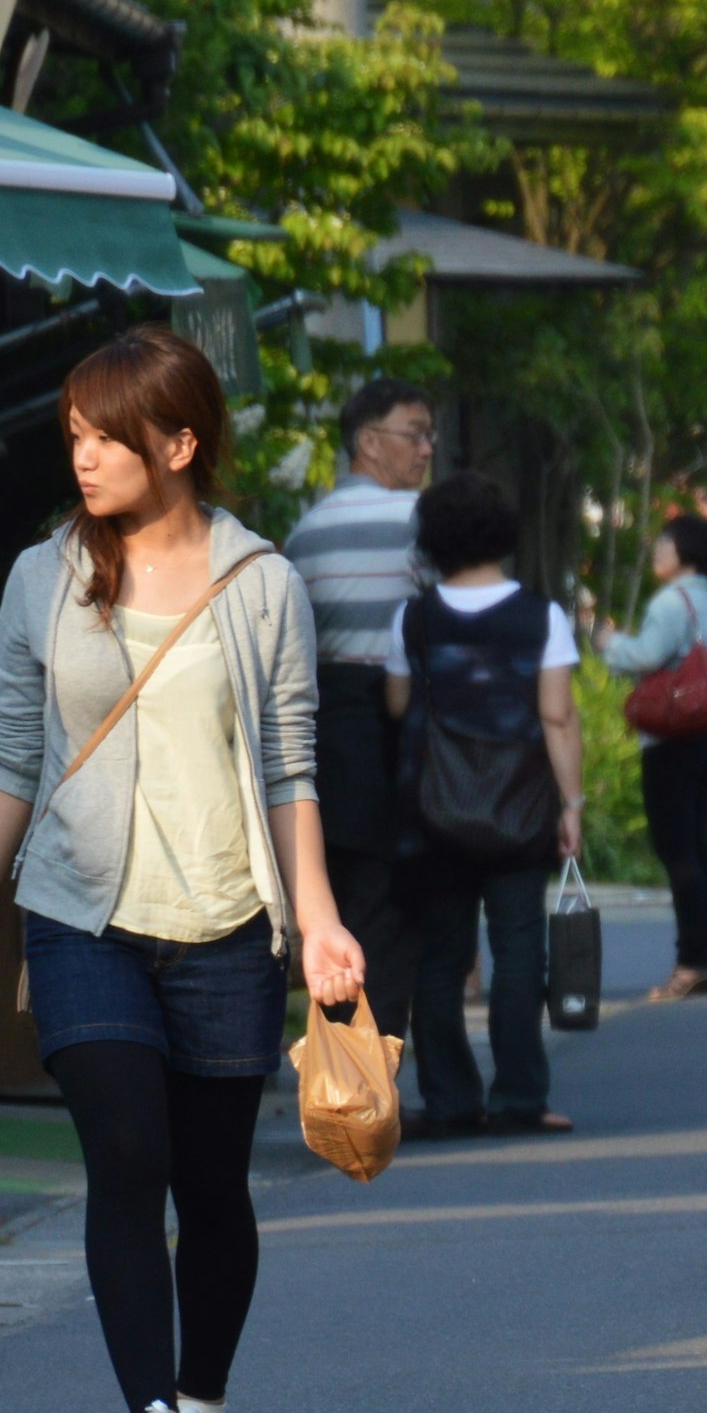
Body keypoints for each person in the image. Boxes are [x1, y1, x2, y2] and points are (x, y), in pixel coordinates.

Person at [0, 327, 364, 1413]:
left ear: (177, 443)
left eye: (105, 438)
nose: (80, 458)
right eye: (72, 436)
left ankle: (204, 1392)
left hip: (227, 918)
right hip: (81, 912)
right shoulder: (43, 576)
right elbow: (14, 753)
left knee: (213, 1182)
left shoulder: (263, 583)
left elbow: (290, 768)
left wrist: (317, 921)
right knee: (126, 1152)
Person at [387, 472, 583, 1135]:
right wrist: (572, 804)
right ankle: (519, 1097)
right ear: (503, 534)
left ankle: (448, 1099)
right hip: (520, 809)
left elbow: (397, 705)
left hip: (432, 813)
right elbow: (556, 717)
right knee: (519, 951)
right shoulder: (541, 615)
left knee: (441, 957)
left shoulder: (412, 617)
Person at [282, 377, 437, 1044]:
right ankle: (370, 1061)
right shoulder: (419, 524)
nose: (427, 448)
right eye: (415, 433)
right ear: (368, 442)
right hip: (395, 719)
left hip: (321, 722)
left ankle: (338, 1056)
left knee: (333, 889)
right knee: (390, 901)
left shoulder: (304, 533)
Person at [584, 511, 707, 1002]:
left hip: (672, 741)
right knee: (700, 850)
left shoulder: (671, 602)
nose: (657, 552)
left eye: (664, 545)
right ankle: (704, 958)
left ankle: (690, 963)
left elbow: (646, 656)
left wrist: (607, 642)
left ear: (684, 554)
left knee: (678, 853)